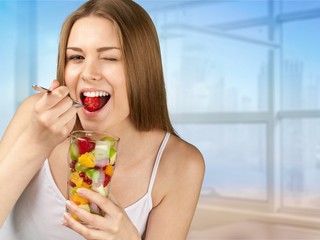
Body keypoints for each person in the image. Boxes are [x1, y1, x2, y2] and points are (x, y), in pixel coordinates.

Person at [0, 0, 205, 239]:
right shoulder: (35, 116)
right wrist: (35, 142)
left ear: (143, 68)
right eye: (76, 57)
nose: (89, 73)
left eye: (109, 58)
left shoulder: (180, 163)